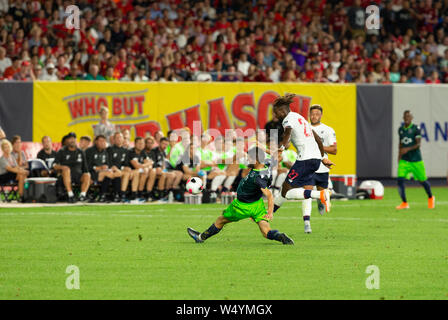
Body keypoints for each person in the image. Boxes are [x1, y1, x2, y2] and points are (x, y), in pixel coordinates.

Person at [187, 147, 294, 245]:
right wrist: (278, 151)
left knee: (221, 220)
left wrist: (270, 212)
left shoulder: (258, 177)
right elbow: (276, 158)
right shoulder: (267, 165)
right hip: (257, 205)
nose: (248, 160)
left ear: (256, 160)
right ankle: (280, 236)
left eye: (249, 158)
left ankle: (201, 237)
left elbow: (269, 195)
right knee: (266, 232)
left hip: (241, 206)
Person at [271, 94, 334, 221]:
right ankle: (269, 213)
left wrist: (281, 148)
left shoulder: (288, 119)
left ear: (282, 110)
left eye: (276, 112)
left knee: (286, 191)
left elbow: (287, 132)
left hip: (304, 160)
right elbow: (317, 139)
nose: (275, 115)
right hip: (314, 160)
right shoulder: (300, 118)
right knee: (291, 189)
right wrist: (322, 158)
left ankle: (321, 194)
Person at [396, 110, 435, 209]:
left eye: (409, 117)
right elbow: (400, 144)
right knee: (400, 180)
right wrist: (399, 156)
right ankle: (404, 203)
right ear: (403, 118)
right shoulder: (400, 130)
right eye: (405, 117)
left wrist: (407, 149)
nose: (407, 119)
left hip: (416, 160)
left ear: (412, 118)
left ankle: (430, 197)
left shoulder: (416, 129)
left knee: (423, 181)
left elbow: (418, 145)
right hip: (405, 161)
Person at [309, 104, 337, 217]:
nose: (314, 116)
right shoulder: (305, 128)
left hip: (322, 167)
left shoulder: (327, 130)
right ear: (309, 115)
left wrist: (319, 146)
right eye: (312, 114)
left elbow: (334, 150)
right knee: (307, 194)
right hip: (308, 166)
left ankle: (320, 202)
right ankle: (307, 221)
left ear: (321, 115)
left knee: (322, 194)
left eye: (317, 114)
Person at [53, 132, 91, 203]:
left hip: (78, 176)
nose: (72, 140)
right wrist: (62, 167)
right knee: (67, 170)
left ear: (76, 140)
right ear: (67, 140)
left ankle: (82, 195)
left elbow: (85, 168)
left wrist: (88, 179)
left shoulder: (80, 152)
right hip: (66, 175)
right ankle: (70, 195)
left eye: (73, 138)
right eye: (70, 139)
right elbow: (54, 165)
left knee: (87, 174)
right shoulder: (62, 151)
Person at [85, 135, 121, 202]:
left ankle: (115, 195)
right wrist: (98, 167)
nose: (103, 143)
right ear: (96, 142)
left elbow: (108, 164)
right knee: (109, 174)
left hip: (104, 172)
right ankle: (102, 194)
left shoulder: (105, 152)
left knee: (117, 173)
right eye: (100, 141)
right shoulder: (89, 151)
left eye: (104, 141)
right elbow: (86, 165)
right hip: (92, 173)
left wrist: (111, 167)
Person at [107, 131, 133, 202]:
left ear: (123, 139)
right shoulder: (110, 149)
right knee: (119, 174)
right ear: (114, 140)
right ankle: (117, 194)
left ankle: (122, 194)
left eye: (120, 137)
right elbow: (109, 162)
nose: (119, 139)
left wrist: (127, 167)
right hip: (111, 170)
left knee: (127, 172)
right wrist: (116, 168)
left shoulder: (126, 151)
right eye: (117, 137)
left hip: (121, 170)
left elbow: (126, 163)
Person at [127, 137, 155, 202]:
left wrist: (145, 166)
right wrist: (146, 165)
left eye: (142, 143)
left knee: (152, 171)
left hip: (140, 171)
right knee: (141, 171)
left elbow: (150, 165)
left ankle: (148, 193)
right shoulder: (131, 152)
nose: (141, 145)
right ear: (135, 144)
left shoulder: (143, 152)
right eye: (139, 143)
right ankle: (136, 194)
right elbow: (136, 166)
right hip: (130, 170)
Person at [148, 137, 175, 201]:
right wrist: (158, 168)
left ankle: (164, 194)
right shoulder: (154, 151)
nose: (165, 146)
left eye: (166, 144)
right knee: (162, 174)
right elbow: (152, 163)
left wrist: (171, 148)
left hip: (161, 170)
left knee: (171, 175)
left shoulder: (163, 152)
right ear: (159, 143)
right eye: (163, 144)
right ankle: (152, 194)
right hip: (153, 170)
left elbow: (165, 162)